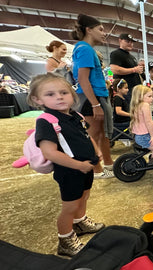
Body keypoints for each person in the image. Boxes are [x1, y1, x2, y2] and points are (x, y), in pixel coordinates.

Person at [27, 73, 105, 257]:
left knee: (84, 196)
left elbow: (87, 135)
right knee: (69, 206)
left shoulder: (75, 115)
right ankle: (65, 239)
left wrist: (97, 151)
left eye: (64, 92)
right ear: (37, 99)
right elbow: (50, 152)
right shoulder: (46, 121)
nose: (59, 97)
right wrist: (78, 166)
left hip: (85, 167)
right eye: (50, 94)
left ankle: (80, 222)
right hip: (69, 171)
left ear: (72, 95)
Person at [71, 14, 114, 179]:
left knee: (102, 133)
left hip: (96, 96)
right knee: (93, 135)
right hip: (92, 98)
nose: (104, 33)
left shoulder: (85, 49)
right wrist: (95, 104)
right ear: (88, 30)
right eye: (101, 29)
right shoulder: (85, 49)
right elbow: (83, 79)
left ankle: (108, 166)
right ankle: (96, 170)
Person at [109, 33, 144, 103]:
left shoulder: (132, 57)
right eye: (127, 41)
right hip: (126, 90)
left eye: (131, 42)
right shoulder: (116, 54)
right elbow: (115, 69)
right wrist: (134, 69)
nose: (130, 44)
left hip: (135, 89)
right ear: (120, 41)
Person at [111, 79, 131, 145]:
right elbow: (118, 111)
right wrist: (130, 115)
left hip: (124, 121)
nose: (127, 90)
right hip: (120, 122)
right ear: (119, 89)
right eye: (125, 88)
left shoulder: (122, 97)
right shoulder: (117, 99)